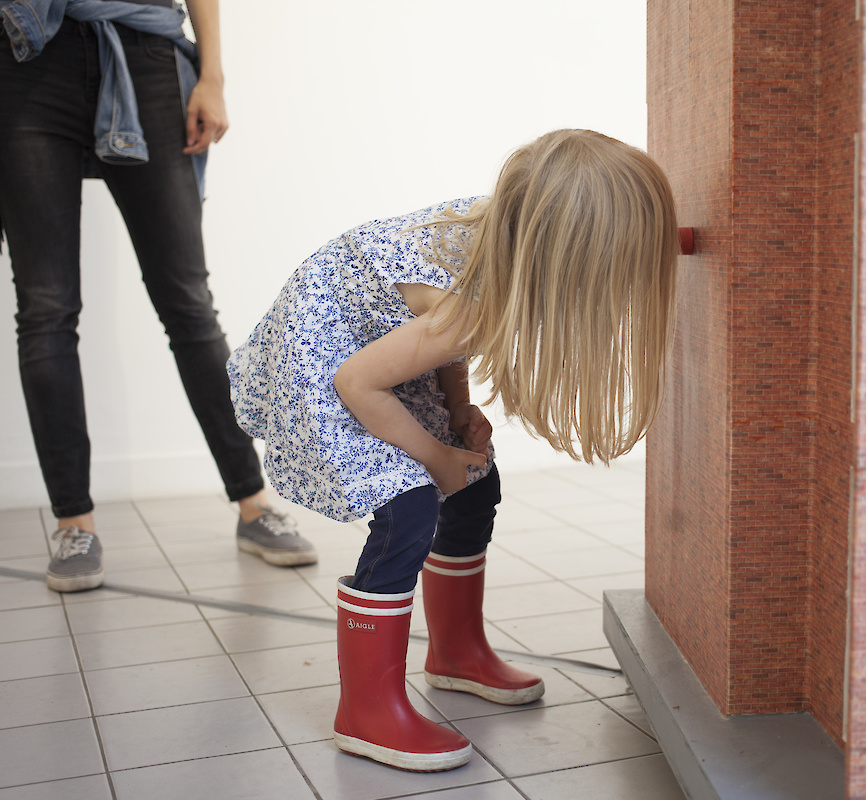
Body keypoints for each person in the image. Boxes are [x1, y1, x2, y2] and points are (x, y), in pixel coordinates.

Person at [227, 129, 679, 771]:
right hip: (322, 358)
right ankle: (367, 708)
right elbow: (358, 381)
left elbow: (443, 342)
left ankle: (456, 653)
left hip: (375, 354)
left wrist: (458, 413)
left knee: (474, 482)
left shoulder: (505, 237)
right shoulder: (469, 300)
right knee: (408, 504)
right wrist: (436, 458)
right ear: (566, 260)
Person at [0, 0, 317, 593]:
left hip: (143, 48)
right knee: (46, 307)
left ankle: (253, 503)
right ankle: (74, 522)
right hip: (20, 53)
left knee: (188, 305)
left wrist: (213, 74)